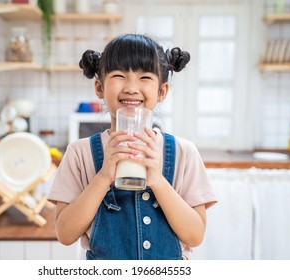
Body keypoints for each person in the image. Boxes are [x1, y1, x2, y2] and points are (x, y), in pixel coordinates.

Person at [48, 33, 218, 260]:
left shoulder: (183, 153)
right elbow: (65, 234)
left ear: (162, 91)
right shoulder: (80, 154)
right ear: (99, 87)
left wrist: (157, 180)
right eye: (119, 75)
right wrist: (102, 178)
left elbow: (195, 236)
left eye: (145, 77)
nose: (131, 87)